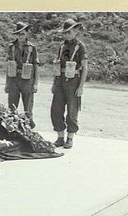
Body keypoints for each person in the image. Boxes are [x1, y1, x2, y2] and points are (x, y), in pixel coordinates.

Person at [50, 19, 88, 149]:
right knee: (56, 110)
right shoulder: (62, 46)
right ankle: (60, 137)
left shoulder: (80, 46)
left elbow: (85, 67)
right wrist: (54, 84)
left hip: (73, 82)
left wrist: (81, 86)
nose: (66, 35)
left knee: (72, 112)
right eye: (64, 32)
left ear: (76, 31)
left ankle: (70, 138)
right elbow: (57, 66)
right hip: (60, 81)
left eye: (69, 32)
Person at [4, 22, 39, 129]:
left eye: (22, 34)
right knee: (12, 108)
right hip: (13, 79)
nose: (20, 36)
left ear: (27, 34)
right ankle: (12, 129)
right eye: (18, 34)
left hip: (27, 81)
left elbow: (36, 66)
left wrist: (35, 84)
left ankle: (28, 129)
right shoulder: (11, 47)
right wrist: (7, 84)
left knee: (28, 108)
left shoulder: (32, 48)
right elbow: (8, 66)